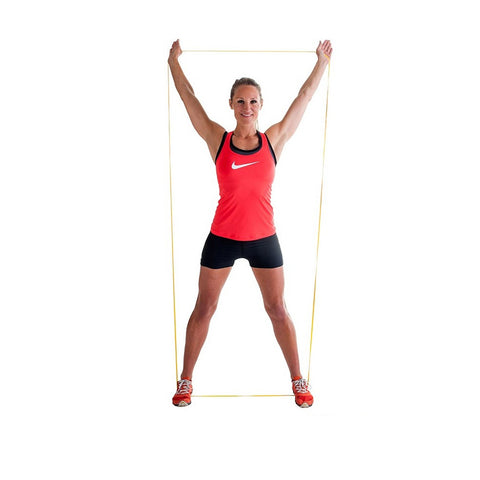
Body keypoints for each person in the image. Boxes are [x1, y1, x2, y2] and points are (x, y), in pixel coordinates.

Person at [168, 39, 332, 408]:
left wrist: (321, 63)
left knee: (277, 309)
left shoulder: (274, 139)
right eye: (240, 101)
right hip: (222, 238)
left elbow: (303, 98)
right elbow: (187, 96)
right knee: (204, 308)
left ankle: (298, 380)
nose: (247, 107)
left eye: (253, 101)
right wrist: (173, 62)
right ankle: (185, 381)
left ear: (261, 105)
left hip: (263, 239)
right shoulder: (217, 140)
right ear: (231, 104)